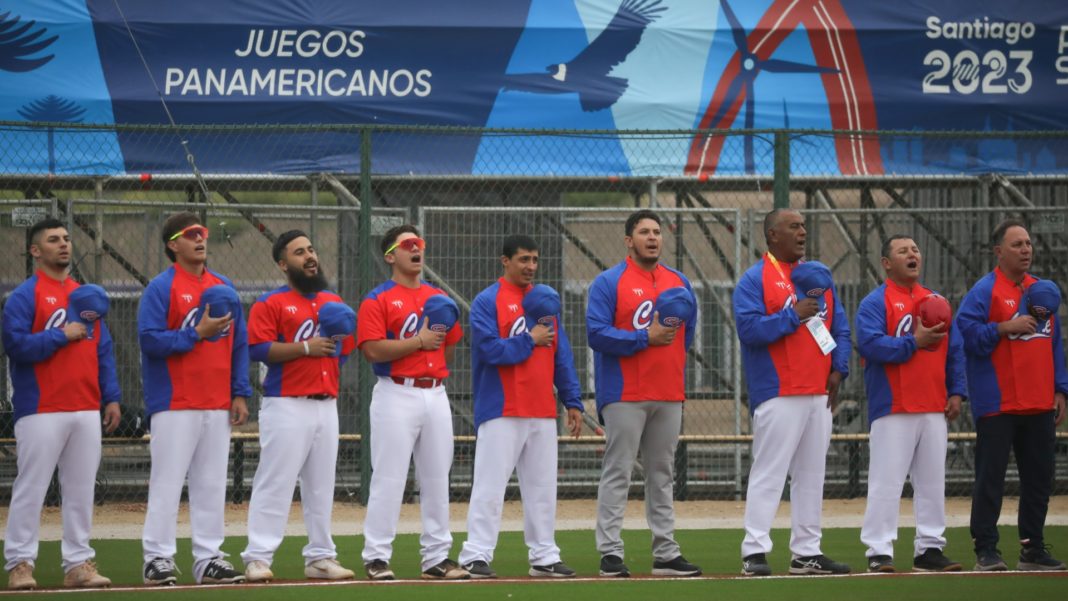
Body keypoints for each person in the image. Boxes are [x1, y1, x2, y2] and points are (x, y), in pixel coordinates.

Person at [2, 218, 120, 590]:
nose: (64, 244)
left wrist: (112, 396)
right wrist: (59, 335)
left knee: (81, 488)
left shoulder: (87, 295)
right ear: (36, 251)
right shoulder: (24, 295)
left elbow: (103, 348)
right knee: (32, 486)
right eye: (53, 240)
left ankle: (78, 563)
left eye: (67, 238)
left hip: (85, 405)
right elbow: (16, 345)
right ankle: (20, 563)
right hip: (40, 406)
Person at [733, 208, 851, 576]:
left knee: (812, 475)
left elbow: (841, 328)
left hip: (819, 393)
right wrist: (792, 315)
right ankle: (754, 552)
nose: (802, 232)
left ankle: (807, 552)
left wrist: (838, 368)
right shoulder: (754, 279)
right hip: (778, 391)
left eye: (803, 226)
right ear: (772, 235)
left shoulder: (817, 277)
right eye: (794, 227)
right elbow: (750, 331)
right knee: (769, 472)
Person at [458, 235, 584, 579]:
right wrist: (529, 338)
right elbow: (489, 351)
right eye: (523, 259)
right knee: (489, 485)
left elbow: (562, 355)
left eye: (534, 260)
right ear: (505, 261)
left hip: (542, 409)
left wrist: (572, 401)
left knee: (543, 488)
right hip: (501, 406)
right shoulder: (488, 300)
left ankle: (544, 555)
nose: (530, 266)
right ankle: (475, 554)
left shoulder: (543, 300)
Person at [587, 209, 701, 578]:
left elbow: (688, 335)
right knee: (618, 470)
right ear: (628, 240)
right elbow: (596, 334)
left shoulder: (679, 282)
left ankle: (666, 553)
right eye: (643, 232)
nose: (652, 238)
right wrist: (643, 338)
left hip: (668, 392)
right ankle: (609, 553)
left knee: (662, 473)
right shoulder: (608, 282)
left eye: (657, 232)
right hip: (624, 393)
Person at [138, 212, 251, 585]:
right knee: (167, 482)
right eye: (191, 235)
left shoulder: (224, 285)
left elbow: (239, 343)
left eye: (202, 233)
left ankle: (209, 558)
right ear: (174, 245)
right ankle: (157, 558)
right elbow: (150, 340)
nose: (201, 239)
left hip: (216, 401)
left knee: (211, 483)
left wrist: (239, 391)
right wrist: (196, 333)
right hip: (174, 399)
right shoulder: (161, 287)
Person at [240, 230, 357, 582]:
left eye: (311, 249)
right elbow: (258, 349)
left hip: (325, 403)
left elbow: (345, 348)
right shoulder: (270, 302)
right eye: (298, 252)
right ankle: (257, 557)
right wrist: (306, 348)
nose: (309, 256)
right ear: (282, 264)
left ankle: (320, 556)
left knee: (321, 484)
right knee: (275, 481)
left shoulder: (333, 301)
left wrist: (333, 347)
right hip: (286, 403)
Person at [357, 224, 469, 581]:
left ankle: (436, 557)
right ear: (391, 256)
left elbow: (449, 344)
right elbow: (372, 350)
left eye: (419, 243)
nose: (416, 249)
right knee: (389, 477)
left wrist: (427, 355)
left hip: (435, 392)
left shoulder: (438, 298)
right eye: (408, 245)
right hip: (395, 391)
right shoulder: (378, 299)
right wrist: (417, 344)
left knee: (437, 477)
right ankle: (376, 556)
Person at [956, 218, 1068, 571]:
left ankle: (1032, 548)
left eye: (1028, 244)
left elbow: (1055, 345)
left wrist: (1060, 389)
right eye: (1017, 244)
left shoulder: (1044, 291)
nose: (1026, 250)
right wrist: (1004, 327)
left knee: (1040, 477)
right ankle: (986, 550)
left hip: (1039, 402)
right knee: (991, 478)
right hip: (998, 402)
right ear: (998, 251)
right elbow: (966, 335)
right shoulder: (984, 291)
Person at [855, 235, 965, 573]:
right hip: (894, 405)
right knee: (886, 482)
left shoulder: (937, 302)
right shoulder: (875, 302)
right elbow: (870, 346)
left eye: (915, 249)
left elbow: (955, 351)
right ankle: (879, 550)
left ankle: (929, 549)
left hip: (933, 405)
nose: (912, 254)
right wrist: (912, 342)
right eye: (903, 251)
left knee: (932, 483)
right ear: (887, 263)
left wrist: (957, 391)